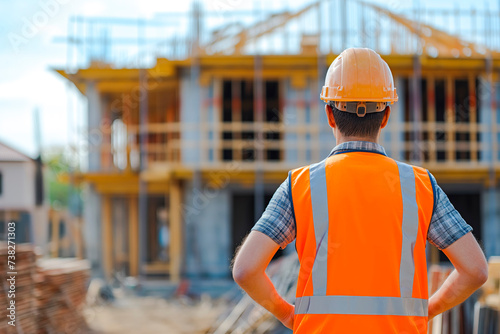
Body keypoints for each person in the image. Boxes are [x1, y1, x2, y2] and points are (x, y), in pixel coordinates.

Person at [232, 48, 488, 333]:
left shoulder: (301, 185)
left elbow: (246, 270)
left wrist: (288, 315)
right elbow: (475, 270)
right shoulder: (420, 185)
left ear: (330, 114)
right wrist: (426, 311)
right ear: (386, 115)